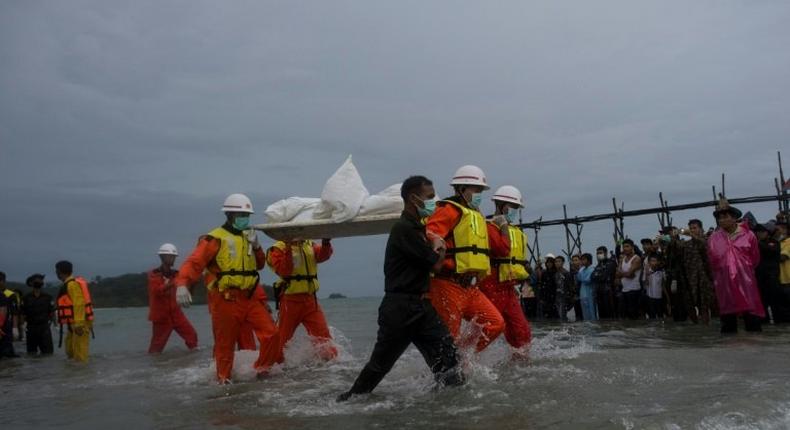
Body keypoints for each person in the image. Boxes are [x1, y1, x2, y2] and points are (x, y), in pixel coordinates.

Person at [338, 176, 464, 401]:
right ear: (413, 199)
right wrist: (440, 246)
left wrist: (432, 241)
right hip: (401, 308)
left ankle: (449, 408)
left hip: (422, 306)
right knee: (380, 365)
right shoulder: (403, 229)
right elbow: (435, 264)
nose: (434, 202)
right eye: (429, 197)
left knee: (449, 359)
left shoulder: (418, 229)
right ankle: (348, 401)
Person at [175, 193, 281, 383]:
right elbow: (194, 262)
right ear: (230, 214)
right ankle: (223, 382)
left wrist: (256, 246)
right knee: (225, 346)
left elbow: (259, 265)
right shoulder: (214, 238)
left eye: (248, 215)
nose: (245, 219)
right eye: (242, 215)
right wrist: (182, 283)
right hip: (225, 299)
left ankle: (262, 371)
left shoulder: (249, 236)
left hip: (249, 298)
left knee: (272, 334)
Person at [424, 165, 505, 352]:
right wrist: (435, 239)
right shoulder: (448, 209)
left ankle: (463, 357)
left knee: (495, 324)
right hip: (447, 284)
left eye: (481, 191)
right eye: (476, 190)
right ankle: (447, 369)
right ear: (461, 189)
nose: (480, 194)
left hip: (470, 286)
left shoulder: (476, 215)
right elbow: (430, 232)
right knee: (448, 337)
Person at [478, 185, 532, 357]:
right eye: (513, 207)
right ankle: (466, 357)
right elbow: (502, 249)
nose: (515, 211)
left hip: (508, 286)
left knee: (522, 330)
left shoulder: (513, 230)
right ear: (502, 205)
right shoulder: (489, 227)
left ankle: (520, 361)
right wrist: (502, 227)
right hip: (491, 284)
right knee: (488, 327)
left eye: (517, 208)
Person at [267, 236, 338, 362]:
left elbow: (322, 256)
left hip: (310, 300)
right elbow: (284, 271)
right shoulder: (277, 248)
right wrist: (288, 247)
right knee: (282, 339)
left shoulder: (309, 244)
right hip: (290, 300)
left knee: (323, 337)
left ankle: (333, 366)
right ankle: (273, 367)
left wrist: (326, 243)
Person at [707, 198, 764, 333]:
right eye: (719, 218)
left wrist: (744, 271)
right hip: (724, 284)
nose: (722, 220)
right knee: (728, 324)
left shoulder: (749, 235)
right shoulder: (713, 239)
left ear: (734, 218)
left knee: (752, 321)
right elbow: (712, 261)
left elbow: (755, 258)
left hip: (746, 282)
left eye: (725, 217)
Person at [147, 244, 198, 354]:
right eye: (170, 256)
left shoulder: (176, 274)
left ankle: (194, 360)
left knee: (192, 336)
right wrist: (174, 282)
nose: (173, 258)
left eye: (173, 256)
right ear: (162, 257)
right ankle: (154, 367)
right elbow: (157, 291)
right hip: (161, 316)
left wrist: (193, 280)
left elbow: (188, 287)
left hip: (176, 313)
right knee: (156, 347)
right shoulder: (154, 274)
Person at [55, 261, 93, 362]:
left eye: (56, 271)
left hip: (78, 324)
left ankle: (83, 375)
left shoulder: (71, 285)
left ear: (59, 271)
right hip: (72, 324)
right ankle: (75, 375)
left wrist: (79, 324)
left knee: (80, 354)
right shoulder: (68, 284)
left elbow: (79, 303)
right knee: (70, 351)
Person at [754, 224, 787, 322]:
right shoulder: (756, 244)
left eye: (762, 232)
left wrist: (757, 243)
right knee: (763, 301)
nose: (759, 234)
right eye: (758, 232)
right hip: (760, 278)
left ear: (767, 233)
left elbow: (771, 250)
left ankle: (779, 320)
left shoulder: (773, 243)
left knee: (776, 302)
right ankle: (764, 320)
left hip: (772, 277)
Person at [22, 274, 55, 355]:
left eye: (40, 281)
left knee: (48, 354)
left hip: (44, 328)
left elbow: (52, 312)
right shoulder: (26, 298)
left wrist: (55, 324)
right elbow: (22, 313)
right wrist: (22, 325)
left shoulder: (48, 297)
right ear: (31, 283)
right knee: (31, 354)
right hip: (31, 328)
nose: (39, 283)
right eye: (36, 281)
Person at [616, 239, 642, 319]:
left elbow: (629, 274)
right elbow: (617, 274)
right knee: (624, 314)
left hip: (634, 290)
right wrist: (626, 274)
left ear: (632, 247)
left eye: (627, 246)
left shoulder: (636, 259)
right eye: (623, 247)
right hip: (624, 290)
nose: (625, 249)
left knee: (634, 315)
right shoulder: (622, 259)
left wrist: (623, 274)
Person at [591, 247, 618, 319]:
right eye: (597, 253)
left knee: (610, 314)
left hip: (609, 292)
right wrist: (599, 275)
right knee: (601, 315)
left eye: (600, 253)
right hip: (599, 292)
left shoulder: (611, 262)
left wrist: (598, 275)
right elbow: (592, 277)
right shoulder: (599, 264)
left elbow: (604, 276)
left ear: (605, 253)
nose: (598, 255)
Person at [0, 271, 19, 359]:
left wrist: (15, 328)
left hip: (6, 326)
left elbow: (14, 312)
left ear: (4, 281)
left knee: (7, 354)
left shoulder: (10, 294)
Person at [576, 253, 597, 321]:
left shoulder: (592, 269)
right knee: (585, 314)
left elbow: (587, 280)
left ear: (589, 260)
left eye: (583, 260)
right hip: (583, 295)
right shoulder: (582, 269)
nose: (582, 261)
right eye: (581, 260)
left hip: (590, 294)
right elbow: (578, 278)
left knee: (591, 312)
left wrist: (581, 276)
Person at [553, 256, 575, 321]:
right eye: (556, 262)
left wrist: (570, 298)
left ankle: (565, 329)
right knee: (559, 316)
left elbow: (570, 287)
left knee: (563, 316)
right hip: (557, 297)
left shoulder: (566, 273)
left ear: (563, 263)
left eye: (559, 261)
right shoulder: (556, 274)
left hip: (565, 298)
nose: (557, 263)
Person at [539, 254, 558, 319]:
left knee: (555, 313)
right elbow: (541, 285)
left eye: (551, 262)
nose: (549, 264)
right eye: (548, 262)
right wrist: (541, 297)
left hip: (554, 295)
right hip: (546, 295)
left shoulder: (556, 272)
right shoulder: (544, 272)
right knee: (546, 313)